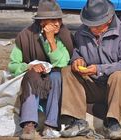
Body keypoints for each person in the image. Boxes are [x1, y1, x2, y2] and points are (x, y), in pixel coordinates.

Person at [60, 0, 121, 139]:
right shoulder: (82, 32)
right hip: (95, 86)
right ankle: (78, 121)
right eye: (89, 25)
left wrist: (99, 69)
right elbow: (77, 52)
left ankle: (113, 123)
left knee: (119, 75)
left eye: (95, 26)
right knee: (67, 71)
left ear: (108, 20)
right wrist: (77, 61)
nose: (91, 29)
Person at [8, 0, 74, 139]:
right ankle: (29, 125)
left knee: (57, 76)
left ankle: (50, 125)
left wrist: (51, 41)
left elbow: (63, 63)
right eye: (53, 20)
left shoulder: (64, 35)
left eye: (59, 19)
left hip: (54, 81)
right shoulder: (25, 36)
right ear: (42, 22)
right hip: (32, 80)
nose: (57, 23)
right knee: (32, 76)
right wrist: (28, 66)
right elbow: (13, 65)